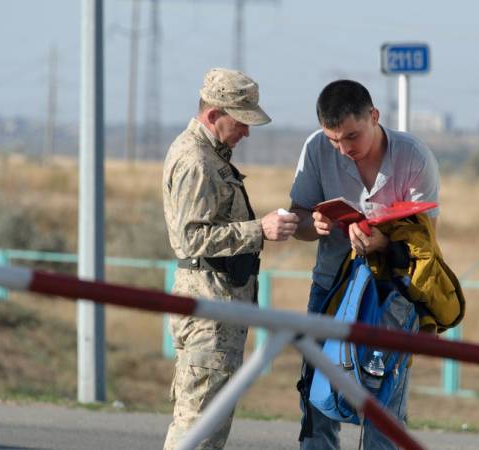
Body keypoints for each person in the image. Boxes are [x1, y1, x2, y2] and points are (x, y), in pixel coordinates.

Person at [290, 79, 440, 449]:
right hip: (330, 288)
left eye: (352, 137)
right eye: (333, 140)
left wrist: (382, 241)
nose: (342, 150)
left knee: (383, 401)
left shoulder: (414, 156)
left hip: (391, 295)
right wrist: (315, 224)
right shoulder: (315, 149)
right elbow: (299, 219)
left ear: (374, 116)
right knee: (319, 395)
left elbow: (426, 236)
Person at [161, 67, 299, 450]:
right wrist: (260, 230)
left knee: (207, 423)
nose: (246, 132)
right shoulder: (197, 161)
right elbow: (190, 238)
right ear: (213, 115)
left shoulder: (208, 154)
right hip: (210, 308)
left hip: (217, 303)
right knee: (198, 426)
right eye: (241, 122)